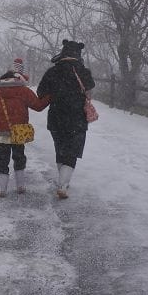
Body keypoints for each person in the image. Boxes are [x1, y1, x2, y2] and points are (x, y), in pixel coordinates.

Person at [37, 39, 95, 199]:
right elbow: (90, 89)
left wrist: (56, 93)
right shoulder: (84, 72)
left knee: (61, 150)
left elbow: (40, 92)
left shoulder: (52, 72)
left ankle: (62, 181)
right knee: (72, 152)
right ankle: (63, 184)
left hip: (56, 116)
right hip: (77, 118)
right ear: (78, 54)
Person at [0, 60, 49, 197]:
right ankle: (20, 186)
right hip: (18, 132)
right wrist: (51, 95)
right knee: (19, 157)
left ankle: (2, 189)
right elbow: (38, 106)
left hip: (0, 133)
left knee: (1, 159)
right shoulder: (23, 91)